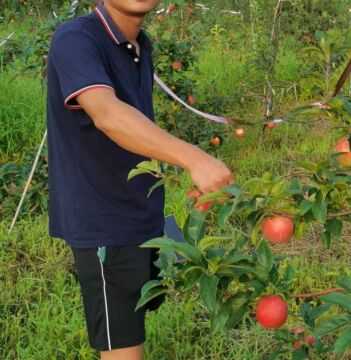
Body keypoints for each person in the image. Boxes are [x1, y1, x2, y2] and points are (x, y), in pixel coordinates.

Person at [46, 1, 234, 358]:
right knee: (123, 349)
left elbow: (133, 131)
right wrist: (194, 158)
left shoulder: (138, 45)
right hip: (104, 226)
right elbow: (107, 114)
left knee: (138, 318)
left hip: (141, 214)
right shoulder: (76, 37)